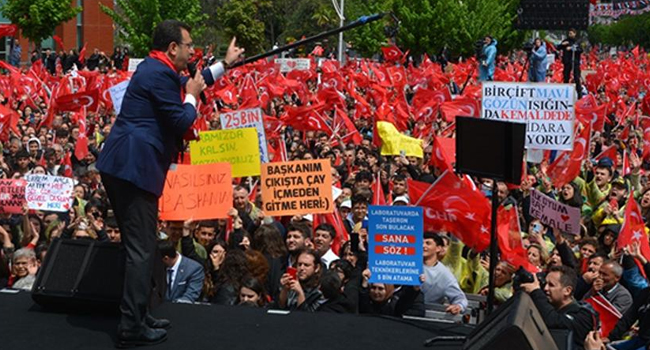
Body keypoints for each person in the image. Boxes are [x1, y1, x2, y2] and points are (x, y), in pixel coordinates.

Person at [96, 19, 244, 347]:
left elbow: (193, 81)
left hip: (126, 167)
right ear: (173, 48)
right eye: (189, 45)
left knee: (143, 245)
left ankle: (139, 312)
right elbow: (181, 118)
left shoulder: (157, 68)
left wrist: (226, 64)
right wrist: (191, 97)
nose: (193, 51)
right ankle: (131, 325)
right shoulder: (157, 73)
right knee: (141, 248)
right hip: (133, 169)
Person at [520, 265, 596, 350]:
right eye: (545, 284)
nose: (545, 288)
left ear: (567, 291)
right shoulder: (546, 307)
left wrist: (536, 292)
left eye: (551, 285)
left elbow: (553, 321)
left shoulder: (582, 316)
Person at [421, 232, 467, 315]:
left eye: (428, 243)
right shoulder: (409, 264)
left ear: (438, 248)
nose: (423, 246)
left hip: (427, 315)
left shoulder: (444, 274)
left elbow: (460, 297)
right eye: (421, 243)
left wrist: (458, 306)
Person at [556, 28, 583, 98]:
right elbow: (557, 48)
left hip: (575, 62)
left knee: (576, 77)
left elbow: (580, 50)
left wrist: (572, 48)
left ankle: (579, 94)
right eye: (569, 33)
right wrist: (562, 44)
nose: (570, 35)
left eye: (571, 33)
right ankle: (565, 92)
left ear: (574, 33)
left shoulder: (577, 42)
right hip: (567, 62)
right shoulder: (566, 41)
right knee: (566, 77)